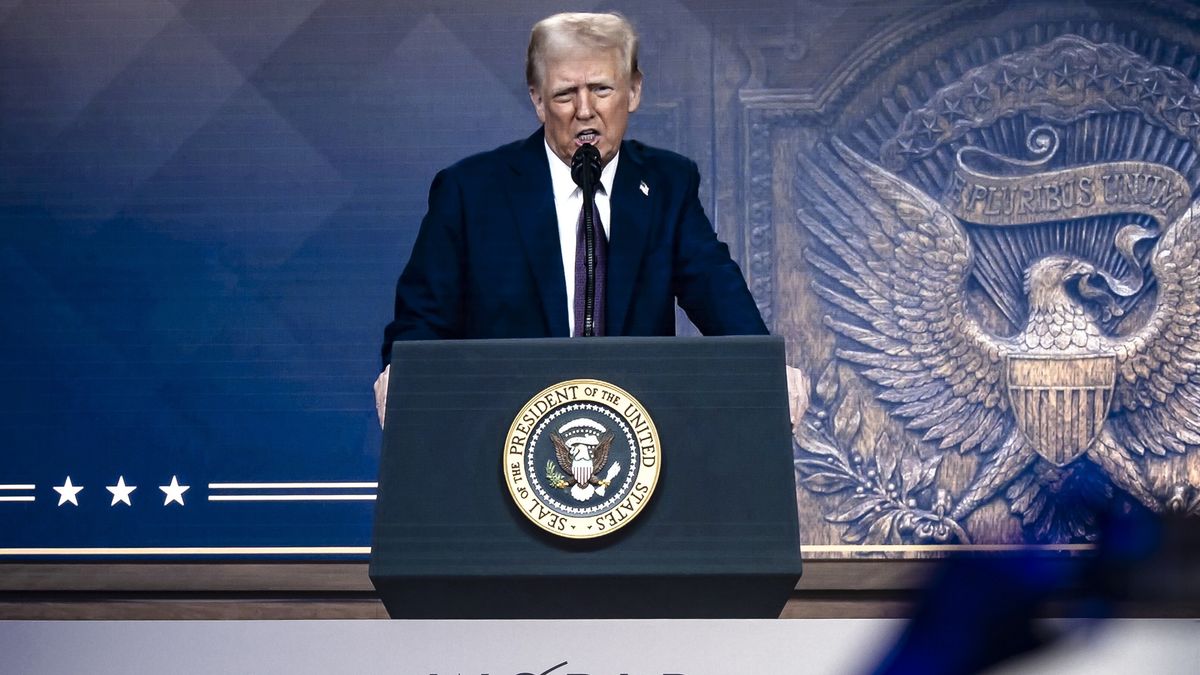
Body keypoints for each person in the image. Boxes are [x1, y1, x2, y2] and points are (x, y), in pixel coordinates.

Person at [375, 12, 806, 426]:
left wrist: (765, 367)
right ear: (538, 100)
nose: (584, 110)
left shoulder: (667, 185)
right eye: (565, 94)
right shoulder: (471, 192)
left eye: (601, 89)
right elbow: (422, 320)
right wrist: (405, 372)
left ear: (634, 91)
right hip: (501, 432)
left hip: (637, 439)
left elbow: (717, 290)